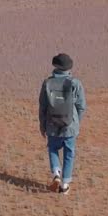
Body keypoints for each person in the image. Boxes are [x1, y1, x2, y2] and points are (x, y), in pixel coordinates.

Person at [38, 52, 86, 194]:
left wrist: (42, 125)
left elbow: (43, 106)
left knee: (52, 149)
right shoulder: (75, 83)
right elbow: (81, 106)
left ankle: (56, 173)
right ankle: (65, 185)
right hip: (70, 126)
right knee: (69, 153)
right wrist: (76, 123)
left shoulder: (47, 83)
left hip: (52, 125)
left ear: (55, 66)